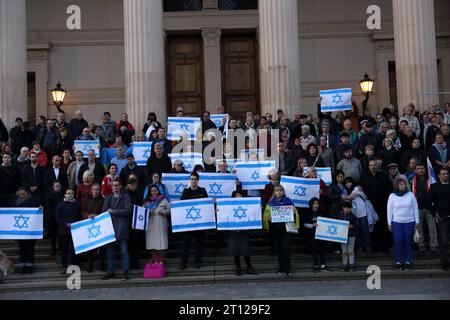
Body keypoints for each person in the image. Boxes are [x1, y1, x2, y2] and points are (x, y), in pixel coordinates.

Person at [263, 185, 299, 276]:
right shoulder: (270, 203)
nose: (279, 192)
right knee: (279, 249)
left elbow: (295, 213)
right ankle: (281, 268)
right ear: (274, 192)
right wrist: (269, 218)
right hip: (275, 229)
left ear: (283, 192)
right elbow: (266, 216)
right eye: (277, 190)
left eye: (280, 190)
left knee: (286, 248)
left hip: (286, 229)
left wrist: (292, 213)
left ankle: (287, 269)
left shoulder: (288, 201)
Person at [102, 180, 132, 280]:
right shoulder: (108, 198)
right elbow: (104, 211)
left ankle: (125, 271)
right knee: (110, 251)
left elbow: (128, 211)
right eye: (113, 185)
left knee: (124, 250)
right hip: (110, 227)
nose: (115, 187)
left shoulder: (125, 197)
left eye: (117, 185)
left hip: (121, 227)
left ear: (120, 186)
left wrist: (114, 211)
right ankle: (111, 271)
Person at [387, 178, 420, 270]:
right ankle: (398, 261)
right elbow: (389, 210)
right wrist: (389, 223)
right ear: (397, 185)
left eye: (404, 184)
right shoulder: (392, 196)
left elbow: (415, 208)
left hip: (409, 222)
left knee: (408, 242)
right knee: (398, 242)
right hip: (396, 222)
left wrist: (417, 221)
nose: (403, 186)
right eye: (401, 184)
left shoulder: (410, 195)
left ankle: (407, 261)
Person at [179, 172, 208, 270]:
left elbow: (206, 205)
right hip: (189, 223)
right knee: (185, 244)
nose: (193, 181)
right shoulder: (186, 191)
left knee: (200, 244)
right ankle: (183, 263)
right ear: (189, 180)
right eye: (192, 179)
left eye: (195, 179)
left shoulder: (203, 191)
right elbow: (181, 206)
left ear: (198, 180)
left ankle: (198, 262)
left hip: (200, 223)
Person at [227, 191, 257, 276]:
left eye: (240, 195)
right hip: (233, 231)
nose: (238, 196)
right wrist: (219, 211)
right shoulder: (228, 206)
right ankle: (238, 268)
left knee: (246, 249)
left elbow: (252, 213)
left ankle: (249, 267)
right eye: (236, 195)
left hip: (244, 230)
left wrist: (258, 208)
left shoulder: (247, 206)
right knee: (235, 250)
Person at [410, 163, 437, 253]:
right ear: (415, 171)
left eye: (422, 168)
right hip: (418, 207)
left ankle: (433, 245)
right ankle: (420, 245)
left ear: (425, 170)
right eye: (418, 169)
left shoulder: (430, 179)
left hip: (429, 207)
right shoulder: (412, 181)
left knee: (432, 227)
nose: (420, 170)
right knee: (418, 227)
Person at [341, 177, 373, 255]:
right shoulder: (347, 191)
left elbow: (350, 197)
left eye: (349, 182)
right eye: (346, 183)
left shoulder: (357, 188)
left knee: (365, 230)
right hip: (354, 214)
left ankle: (368, 248)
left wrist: (341, 196)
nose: (348, 184)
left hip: (362, 213)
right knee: (357, 231)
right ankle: (359, 248)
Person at [143, 184, 170, 267]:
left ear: (158, 191)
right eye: (152, 191)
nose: (154, 192)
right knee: (152, 243)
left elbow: (169, 210)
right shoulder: (146, 202)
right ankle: (155, 261)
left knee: (162, 243)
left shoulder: (164, 200)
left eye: (155, 190)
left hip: (161, 224)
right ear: (150, 192)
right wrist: (147, 212)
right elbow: (142, 212)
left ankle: (161, 261)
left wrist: (164, 212)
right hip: (151, 225)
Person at [55, 188, 81, 274]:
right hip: (64, 231)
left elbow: (79, 216)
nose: (70, 195)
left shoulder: (77, 204)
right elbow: (58, 218)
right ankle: (64, 266)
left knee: (75, 249)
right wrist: (65, 224)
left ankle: (75, 265)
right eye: (68, 193)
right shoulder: (61, 205)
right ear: (65, 195)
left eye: (72, 193)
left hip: (75, 230)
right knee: (64, 250)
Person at [80, 183, 105, 272]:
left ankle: (101, 266)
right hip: (89, 226)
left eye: (97, 189)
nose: (95, 191)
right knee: (90, 247)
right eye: (94, 189)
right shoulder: (86, 200)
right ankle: (89, 266)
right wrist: (88, 215)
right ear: (91, 190)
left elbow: (105, 212)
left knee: (102, 247)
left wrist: (98, 216)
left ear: (100, 190)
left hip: (100, 226)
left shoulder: (103, 200)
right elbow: (82, 212)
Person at [15, 188, 40, 274]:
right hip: (20, 232)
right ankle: (22, 266)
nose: (22, 195)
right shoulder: (15, 203)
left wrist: (40, 208)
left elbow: (38, 212)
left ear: (27, 194)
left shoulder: (33, 201)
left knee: (30, 249)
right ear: (18, 194)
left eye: (24, 194)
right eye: (21, 194)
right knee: (22, 249)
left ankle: (30, 266)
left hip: (31, 231)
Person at [429, 168, 450, 271]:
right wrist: (435, 213)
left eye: (447, 174)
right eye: (443, 174)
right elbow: (429, 202)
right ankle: (445, 263)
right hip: (442, 217)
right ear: (439, 175)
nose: (445, 175)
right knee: (444, 241)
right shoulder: (434, 187)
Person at [303, 197, 330, 273]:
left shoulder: (321, 213)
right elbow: (304, 224)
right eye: (314, 203)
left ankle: (323, 264)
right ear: (311, 204)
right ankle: (316, 265)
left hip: (321, 234)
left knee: (322, 249)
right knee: (314, 249)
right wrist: (312, 225)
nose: (316, 205)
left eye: (317, 203)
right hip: (312, 234)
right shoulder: (308, 213)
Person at [338, 202, 358, 272]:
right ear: (343, 207)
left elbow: (356, 225)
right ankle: (344, 265)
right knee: (344, 250)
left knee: (350, 250)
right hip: (342, 235)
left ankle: (351, 265)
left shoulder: (353, 216)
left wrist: (351, 226)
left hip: (351, 235)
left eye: (349, 208)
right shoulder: (339, 215)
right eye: (346, 207)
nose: (347, 209)